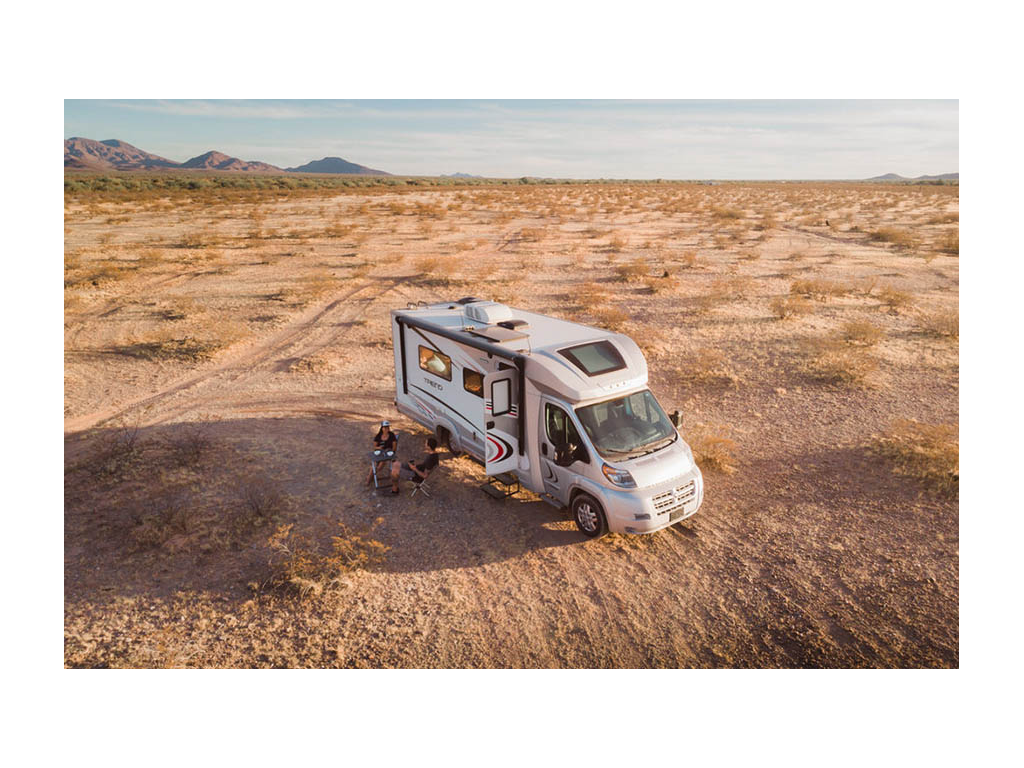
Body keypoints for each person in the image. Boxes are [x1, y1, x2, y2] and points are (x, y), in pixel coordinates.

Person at [366, 420, 398, 486]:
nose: (386, 429)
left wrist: (390, 450)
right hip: (379, 453)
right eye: (385, 427)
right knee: (374, 464)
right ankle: (370, 477)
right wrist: (379, 448)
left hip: (388, 454)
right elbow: (375, 447)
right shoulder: (378, 436)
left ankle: (371, 477)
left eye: (388, 427)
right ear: (382, 428)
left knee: (381, 464)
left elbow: (394, 447)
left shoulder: (392, 435)